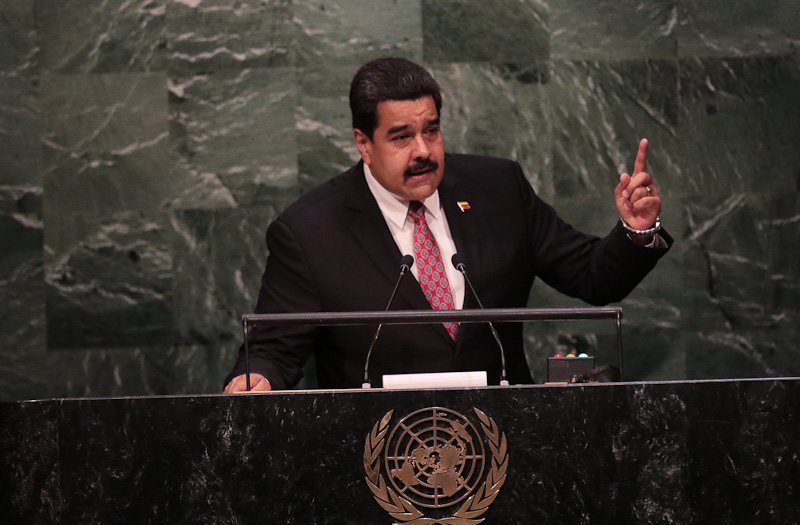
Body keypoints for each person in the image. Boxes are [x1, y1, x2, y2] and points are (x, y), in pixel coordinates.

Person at [224, 57, 671, 393]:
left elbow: (591, 276)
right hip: (376, 458)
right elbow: (272, 348)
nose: (422, 150)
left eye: (431, 131)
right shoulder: (310, 230)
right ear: (363, 143)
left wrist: (634, 230)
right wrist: (255, 378)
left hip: (509, 445)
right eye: (401, 137)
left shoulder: (498, 189)